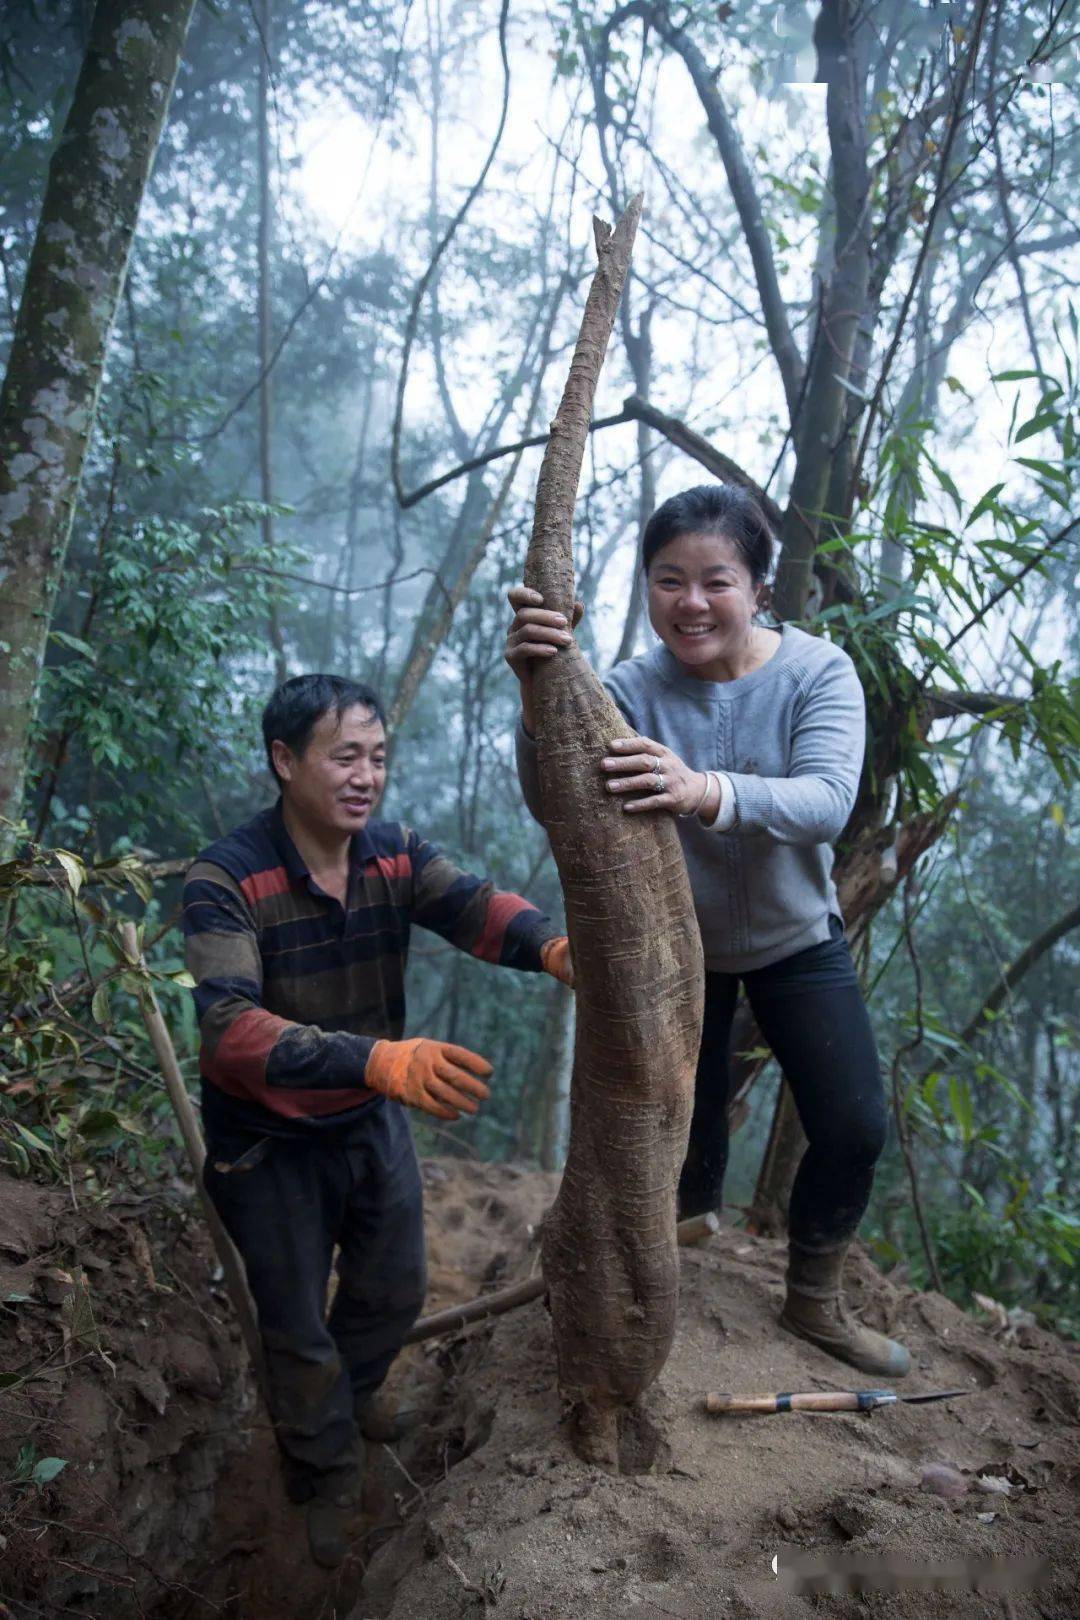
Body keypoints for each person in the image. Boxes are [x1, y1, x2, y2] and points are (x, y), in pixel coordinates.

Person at [504, 483, 909, 1381]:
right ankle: (664, 1277)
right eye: (668, 580)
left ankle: (814, 1299)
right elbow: (551, 800)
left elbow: (828, 803)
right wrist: (539, 697)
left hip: (797, 940)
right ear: (646, 588)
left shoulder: (817, 672)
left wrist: (704, 790)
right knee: (672, 1133)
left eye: (715, 580)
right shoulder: (627, 691)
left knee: (852, 1123)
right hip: (669, 954)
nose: (691, 602)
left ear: (759, 588)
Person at [182, 674, 572, 1567]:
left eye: (379, 758)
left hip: (367, 1119)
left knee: (394, 1286)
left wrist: (549, 944)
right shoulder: (225, 876)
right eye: (344, 756)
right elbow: (231, 1030)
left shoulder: (392, 854)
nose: (367, 776)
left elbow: (472, 905)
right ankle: (321, 1470)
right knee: (292, 1319)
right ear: (285, 762)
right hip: (266, 1138)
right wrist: (379, 1058)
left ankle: (348, 1404)